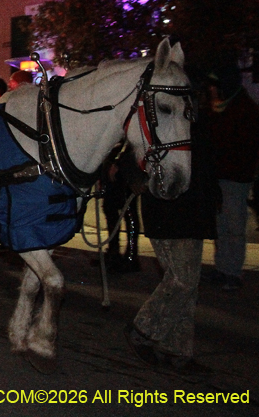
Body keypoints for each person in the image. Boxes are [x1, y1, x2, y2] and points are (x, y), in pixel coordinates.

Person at [126, 106, 218, 375]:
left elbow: (205, 161)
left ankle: (176, 350)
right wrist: (135, 176)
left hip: (192, 209)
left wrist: (213, 195)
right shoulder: (163, 115)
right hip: (168, 209)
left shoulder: (195, 119)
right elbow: (132, 153)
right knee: (182, 281)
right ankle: (143, 328)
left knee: (187, 286)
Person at [204, 68, 259, 291]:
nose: (210, 89)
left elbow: (245, 147)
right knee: (221, 225)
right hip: (220, 177)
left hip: (236, 178)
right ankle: (222, 267)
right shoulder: (217, 109)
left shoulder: (244, 110)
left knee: (234, 226)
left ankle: (233, 271)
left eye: (214, 85)